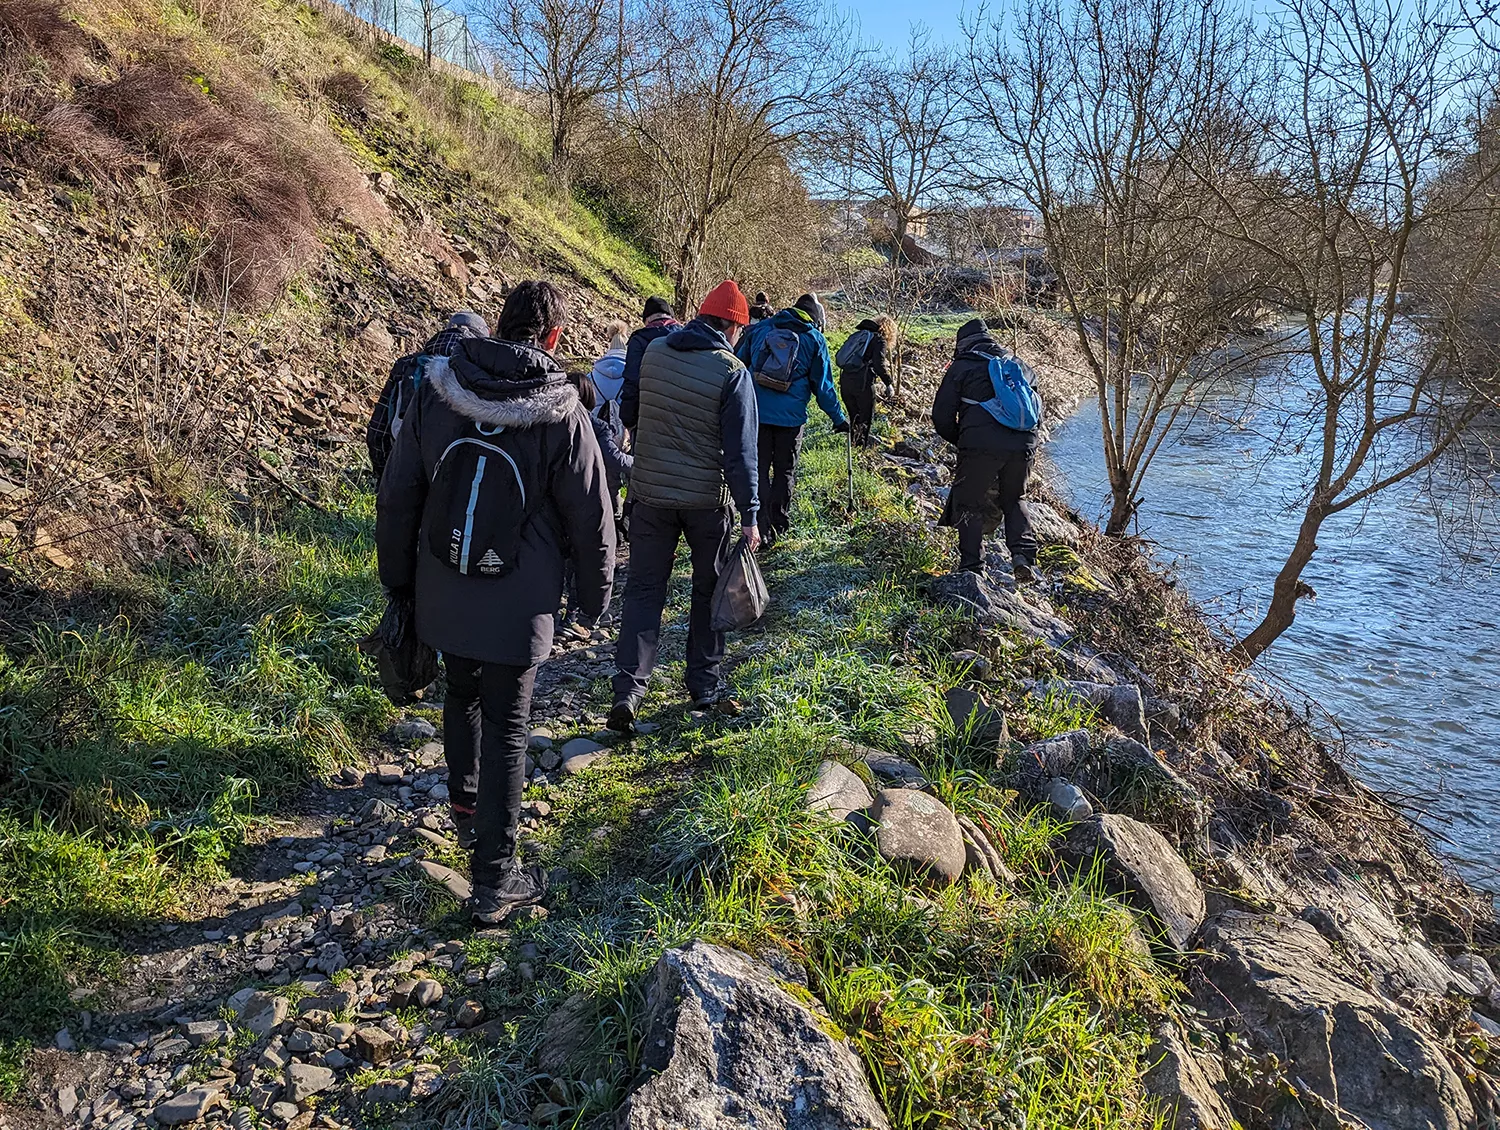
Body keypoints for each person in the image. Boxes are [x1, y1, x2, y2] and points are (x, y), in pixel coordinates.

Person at [376, 281, 616, 925]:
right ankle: (495, 876)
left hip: (444, 582)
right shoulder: (562, 412)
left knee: (462, 693)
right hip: (521, 597)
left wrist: (399, 583)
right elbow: (592, 516)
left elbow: (399, 493)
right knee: (509, 723)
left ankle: (464, 808)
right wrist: (593, 597)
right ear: (554, 338)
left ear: (497, 326)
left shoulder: (438, 390)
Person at [608, 280, 760, 732]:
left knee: (643, 591)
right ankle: (704, 685)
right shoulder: (732, 372)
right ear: (732, 327)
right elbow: (741, 455)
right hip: (704, 502)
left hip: (650, 495)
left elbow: (631, 412)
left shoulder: (654, 352)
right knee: (709, 591)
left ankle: (629, 689)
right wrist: (750, 515)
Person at [931, 318, 1041, 583]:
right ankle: (1023, 557)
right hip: (1024, 444)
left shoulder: (962, 367)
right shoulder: (1019, 365)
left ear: (962, 344)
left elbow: (941, 417)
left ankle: (972, 567)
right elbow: (1037, 411)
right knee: (1015, 498)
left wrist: (964, 440)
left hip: (980, 446)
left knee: (968, 502)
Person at [736, 292, 848, 546]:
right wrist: (838, 419)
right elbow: (824, 387)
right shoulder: (814, 338)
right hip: (791, 420)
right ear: (814, 318)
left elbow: (738, 365)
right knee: (784, 472)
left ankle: (758, 526)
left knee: (758, 471)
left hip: (757, 415)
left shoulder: (762, 329)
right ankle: (779, 528)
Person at [366, 310, 489, 478]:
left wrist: (384, 474)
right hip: (456, 473)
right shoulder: (481, 373)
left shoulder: (407, 364)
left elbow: (378, 430)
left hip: (405, 462)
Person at [619, 297, 681, 430]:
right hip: (682, 416)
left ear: (647, 320)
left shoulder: (639, 340)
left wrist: (628, 418)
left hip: (646, 416)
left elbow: (632, 379)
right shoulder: (687, 336)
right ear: (671, 317)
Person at [836, 315, 896, 447]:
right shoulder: (879, 340)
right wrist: (889, 383)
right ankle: (859, 449)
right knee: (865, 419)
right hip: (863, 385)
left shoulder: (858, 335)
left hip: (845, 382)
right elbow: (879, 365)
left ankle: (852, 446)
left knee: (854, 416)